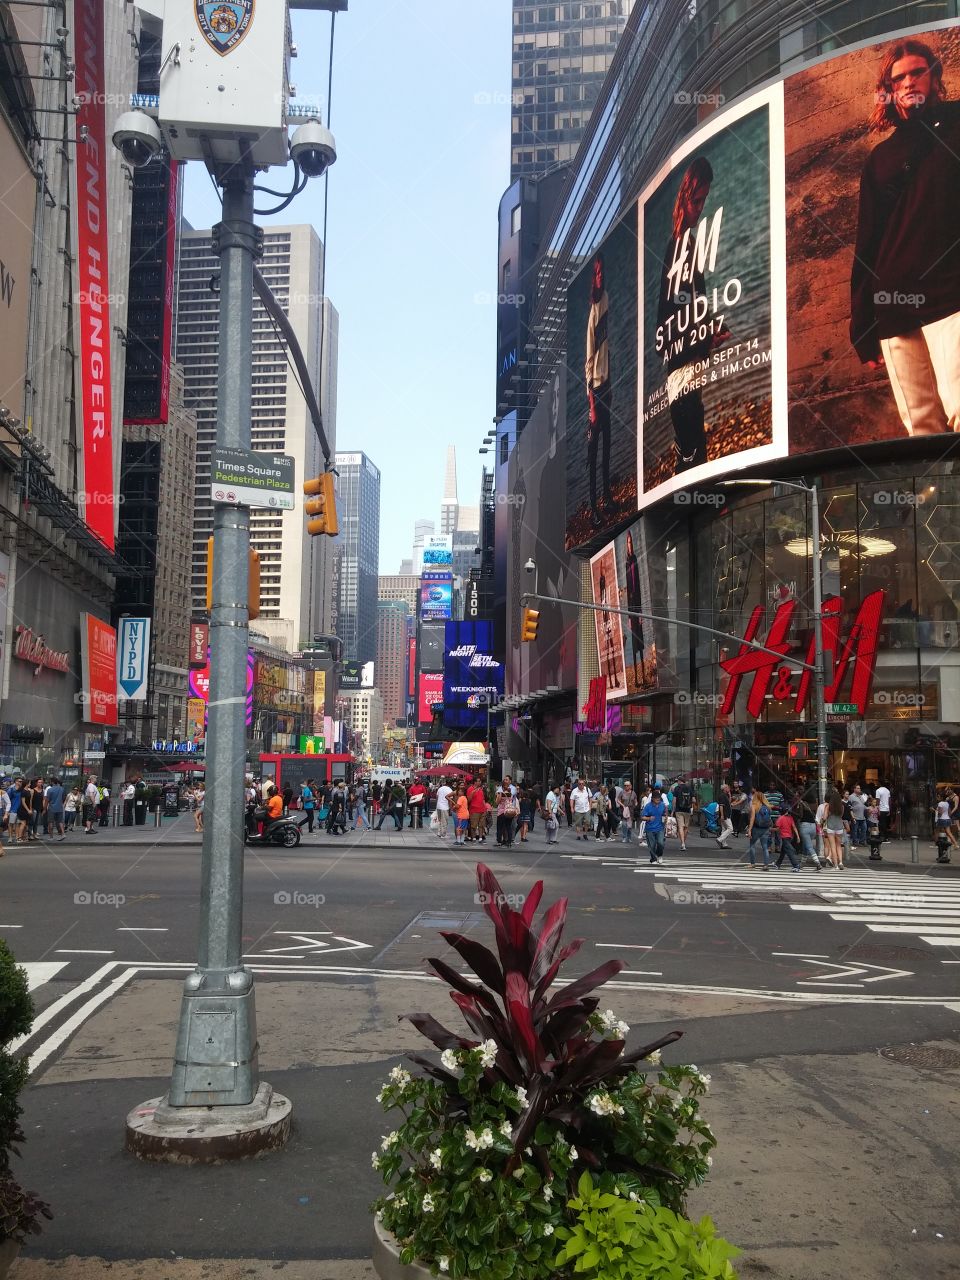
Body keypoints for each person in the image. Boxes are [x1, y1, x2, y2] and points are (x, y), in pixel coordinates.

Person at [850, 39, 960, 437]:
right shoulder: (879, 159)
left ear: (934, 75)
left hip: (952, 294)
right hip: (894, 307)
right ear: (889, 89)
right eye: (899, 77)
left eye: (917, 71)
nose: (910, 81)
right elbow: (868, 243)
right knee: (922, 431)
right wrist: (863, 325)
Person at [656, 156, 731, 472]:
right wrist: (707, 330)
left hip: (683, 360)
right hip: (681, 363)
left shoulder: (682, 243)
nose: (701, 208)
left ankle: (690, 489)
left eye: (705, 201)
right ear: (686, 195)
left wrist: (713, 327)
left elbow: (691, 303)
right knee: (693, 449)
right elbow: (673, 310)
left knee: (692, 444)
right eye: (698, 200)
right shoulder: (680, 245)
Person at [583, 251, 614, 524]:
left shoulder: (606, 300)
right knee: (592, 453)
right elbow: (588, 363)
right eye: (597, 273)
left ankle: (607, 497)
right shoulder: (592, 314)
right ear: (593, 278)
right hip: (595, 391)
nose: (601, 277)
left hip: (609, 386)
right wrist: (591, 405)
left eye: (603, 272)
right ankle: (593, 507)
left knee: (607, 445)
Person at [818, 789, 847, 869]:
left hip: (830, 827)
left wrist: (821, 822)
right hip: (839, 827)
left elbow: (824, 817)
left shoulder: (828, 806)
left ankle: (836, 865)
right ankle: (841, 862)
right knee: (839, 845)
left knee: (833, 846)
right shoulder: (842, 806)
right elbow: (841, 816)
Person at [746, 791, 773, 869]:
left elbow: (752, 818)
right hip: (765, 829)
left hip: (756, 828)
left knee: (752, 846)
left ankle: (752, 863)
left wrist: (749, 829)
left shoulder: (754, 806)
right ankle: (766, 865)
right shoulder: (768, 806)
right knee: (765, 847)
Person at [641, 787, 668, 864]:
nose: (658, 800)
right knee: (652, 845)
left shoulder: (662, 805)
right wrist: (649, 818)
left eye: (659, 799)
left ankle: (659, 855)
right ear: (652, 799)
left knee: (660, 843)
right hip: (650, 828)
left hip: (660, 828)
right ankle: (653, 858)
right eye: (656, 799)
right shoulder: (648, 806)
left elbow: (665, 813)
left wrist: (665, 817)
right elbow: (642, 817)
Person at [670, 778, 694, 851]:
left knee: (680, 826)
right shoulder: (689, 788)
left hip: (679, 810)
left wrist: (673, 810)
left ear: (679, 781)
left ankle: (682, 843)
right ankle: (684, 842)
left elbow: (674, 800)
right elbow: (693, 800)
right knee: (686, 827)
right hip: (687, 810)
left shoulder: (677, 788)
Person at [467, 778, 488, 843]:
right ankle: (473, 838)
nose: (480, 782)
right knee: (473, 825)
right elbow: (468, 800)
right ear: (475, 782)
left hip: (482, 809)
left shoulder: (481, 789)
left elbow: (483, 799)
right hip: (474, 810)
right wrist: (473, 792)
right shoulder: (470, 789)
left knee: (481, 825)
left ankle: (480, 838)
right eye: (478, 781)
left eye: (480, 781)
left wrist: (485, 807)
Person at [618, 780, 639, 845]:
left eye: (627, 785)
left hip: (631, 810)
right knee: (624, 824)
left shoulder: (633, 793)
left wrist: (636, 804)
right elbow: (618, 800)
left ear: (630, 786)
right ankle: (624, 837)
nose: (626, 786)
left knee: (629, 825)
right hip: (624, 810)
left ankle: (629, 837)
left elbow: (635, 800)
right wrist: (623, 805)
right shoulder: (622, 792)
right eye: (625, 785)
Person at [715, 784, 734, 849]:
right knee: (730, 828)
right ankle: (720, 839)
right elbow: (721, 806)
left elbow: (728, 803)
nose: (729, 788)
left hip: (726, 814)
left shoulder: (725, 795)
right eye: (728, 787)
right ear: (725, 788)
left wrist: (730, 795)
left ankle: (724, 844)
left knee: (724, 829)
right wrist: (722, 815)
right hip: (725, 815)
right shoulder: (722, 796)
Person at [543, 782, 561, 847]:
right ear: (555, 788)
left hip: (552, 812)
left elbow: (555, 805)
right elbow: (549, 803)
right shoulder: (550, 794)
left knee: (550, 826)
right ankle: (552, 839)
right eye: (558, 788)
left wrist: (561, 811)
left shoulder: (553, 795)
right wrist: (550, 812)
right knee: (555, 825)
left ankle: (549, 839)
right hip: (551, 812)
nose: (558, 790)